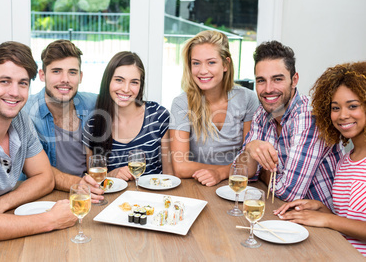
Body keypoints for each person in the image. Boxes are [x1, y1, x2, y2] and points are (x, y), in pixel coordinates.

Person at [0, 41, 77, 261]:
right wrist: (50, 220)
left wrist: (0, 204)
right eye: (4, 81)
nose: (14, 93)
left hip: (4, 240)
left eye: (22, 83)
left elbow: (45, 178)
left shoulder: (20, 121)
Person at [234, 40, 344, 209]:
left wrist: (262, 173)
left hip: (324, 225)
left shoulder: (308, 116)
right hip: (281, 212)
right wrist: (250, 147)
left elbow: (289, 193)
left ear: (294, 80)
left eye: (277, 79)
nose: (268, 89)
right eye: (261, 81)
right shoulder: (261, 113)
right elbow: (240, 172)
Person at [274, 61, 366, 256]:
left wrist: (328, 220)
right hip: (336, 252)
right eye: (335, 108)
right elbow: (348, 222)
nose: (343, 115)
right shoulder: (345, 161)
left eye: (353, 106)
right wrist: (321, 209)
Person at [169, 30, 258, 186]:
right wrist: (233, 169)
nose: (203, 71)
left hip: (236, 186)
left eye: (211, 62)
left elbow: (250, 164)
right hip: (199, 184)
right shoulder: (181, 103)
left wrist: (221, 173)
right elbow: (181, 167)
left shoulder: (248, 99)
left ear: (225, 64)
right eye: (196, 63)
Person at [23, 40, 104, 203]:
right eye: (56, 71)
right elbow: (36, 169)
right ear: (42, 75)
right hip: (41, 198)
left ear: (80, 77)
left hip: (88, 195)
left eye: (72, 72)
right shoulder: (25, 113)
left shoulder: (94, 104)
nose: (65, 79)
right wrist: (77, 183)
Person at [82, 51, 172, 181]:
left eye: (134, 82)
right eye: (119, 80)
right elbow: (93, 180)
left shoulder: (158, 116)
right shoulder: (93, 125)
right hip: (113, 200)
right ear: (108, 81)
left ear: (140, 86)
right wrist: (112, 175)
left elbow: (169, 175)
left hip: (153, 197)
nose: (125, 89)